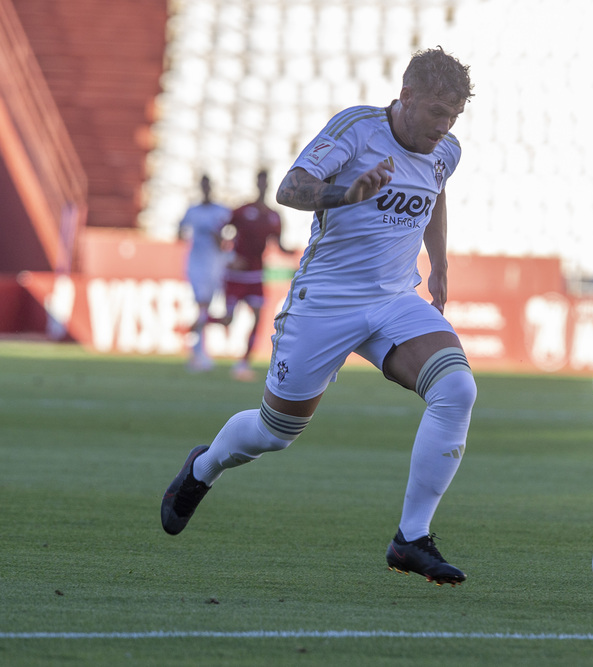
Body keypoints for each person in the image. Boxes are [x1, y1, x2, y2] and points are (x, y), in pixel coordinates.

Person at [161, 47, 476, 587]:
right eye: (436, 113)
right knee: (273, 433)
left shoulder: (446, 149)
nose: (444, 127)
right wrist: (346, 193)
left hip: (395, 299)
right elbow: (290, 188)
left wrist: (440, 263)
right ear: (405, 99)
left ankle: (411, 538)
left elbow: (437, 190)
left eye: (454, 116)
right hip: (326, 301)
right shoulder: (356, 129)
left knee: (457, 389)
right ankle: (203, 467)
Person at [211, 169, 291, 381]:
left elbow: (279, 245)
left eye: (266, 182)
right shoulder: (243, 210)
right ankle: (202, 321)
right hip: (236, 276)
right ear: (257, 183)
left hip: (256, 274)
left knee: (258, 318)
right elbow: (219, 229)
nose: (263, 186)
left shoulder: (273, 215)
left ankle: (243, 363)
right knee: (228, 320)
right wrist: (228, 254)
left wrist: (293, 253)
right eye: (260, 182)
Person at [177, 174, 230, 371]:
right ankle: (198, 354)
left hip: (216, 264)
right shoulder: (193, 211)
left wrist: (218, 239)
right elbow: (180, 231)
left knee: (205, 309)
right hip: (197, 264)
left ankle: (198, 352)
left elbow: (226, 239)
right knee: (202, 306)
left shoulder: (222, 211)